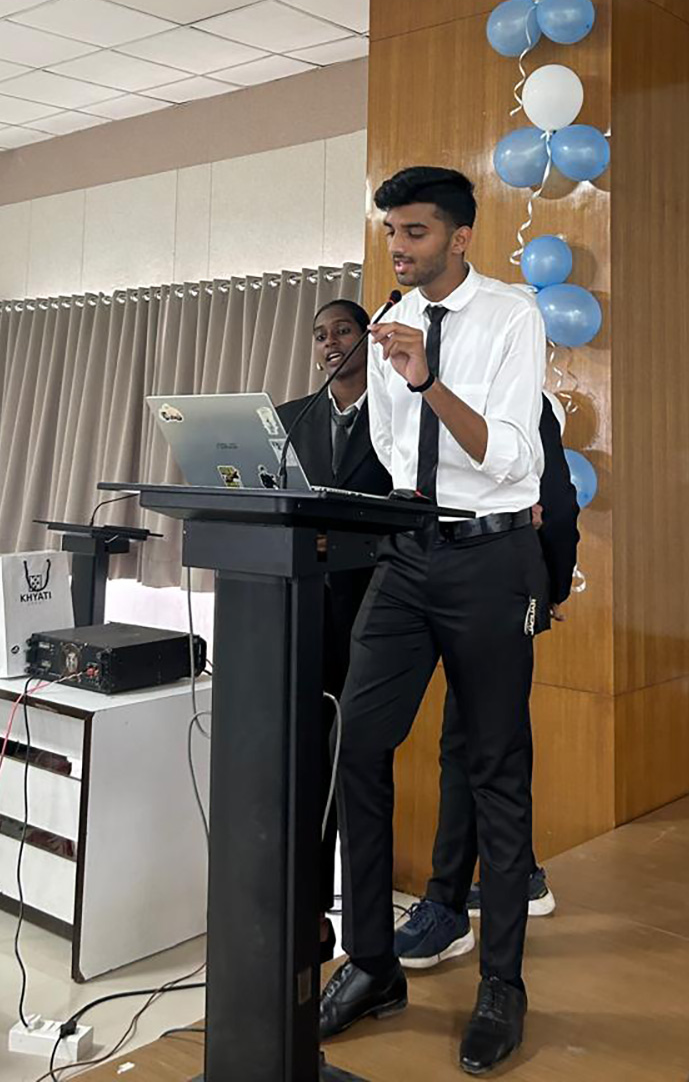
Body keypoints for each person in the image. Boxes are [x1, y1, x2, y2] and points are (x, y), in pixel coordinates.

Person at [321, 166, 548, 1076]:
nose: (398, 248)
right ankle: (373, 962)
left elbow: (510, 457)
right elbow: (388, 447)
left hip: (492, 558)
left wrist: (427, 380)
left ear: (459, 237)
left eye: (414, 232)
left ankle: (502, 985)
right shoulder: (390, 320)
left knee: (495, 765)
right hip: (407, 556)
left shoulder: (512, 316)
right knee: (357, 742)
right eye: (390, 233)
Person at [393, 391, 580, 970]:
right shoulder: (413, 400)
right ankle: (512, 878)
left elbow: (558, 502)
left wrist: (550, 587)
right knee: (475, 743)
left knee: (479, 745)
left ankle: (452, 905)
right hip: (433, 581)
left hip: (500, 586)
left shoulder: (521, 398)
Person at [277, 298, 392, 965]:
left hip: (379, 610)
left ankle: (369, 931)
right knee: (310, 764)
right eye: (320, 334)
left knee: (360, 763)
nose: (330, 342)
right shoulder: (290, 419)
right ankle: (313, 913)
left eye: (343, 330)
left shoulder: (400, 414)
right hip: (306, 613)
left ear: (366, 339)